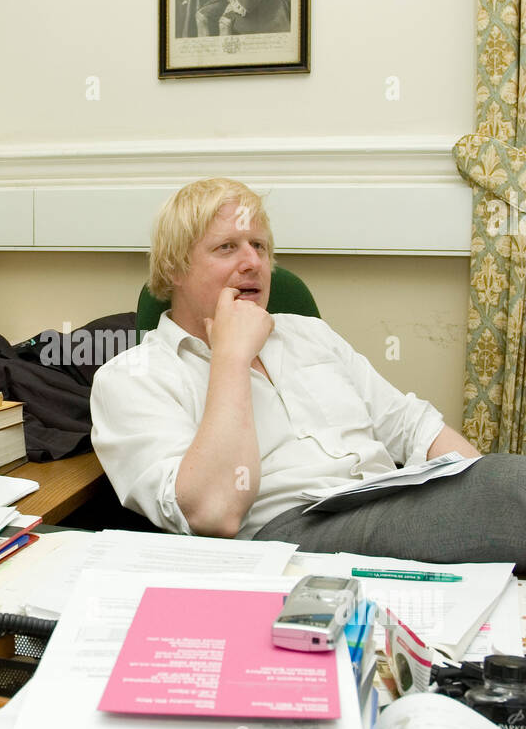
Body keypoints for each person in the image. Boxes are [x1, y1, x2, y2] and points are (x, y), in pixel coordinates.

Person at [90, 178, 526, 571]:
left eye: (258, 246)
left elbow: (416, 428)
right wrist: (230, 357)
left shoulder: (309, 335)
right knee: (511, 492)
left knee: (501, 488)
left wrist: (475, 487)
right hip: (288, 540)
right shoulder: (131, 378)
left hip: (389, 501)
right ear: (173, 268)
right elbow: (215, 513)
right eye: (227, 247)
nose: (253, 263)